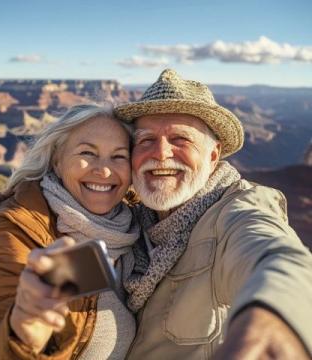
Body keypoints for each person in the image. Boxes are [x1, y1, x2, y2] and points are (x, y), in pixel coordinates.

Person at [114, 69, 312, 359]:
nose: (161, 152)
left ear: (213, 155)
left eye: (180, 139)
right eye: (145, 140)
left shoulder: (236, 210)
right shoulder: (127, 221)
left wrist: (275, 320)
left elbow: (275, 254)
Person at [0, 104, 141, 359]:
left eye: (119, 156)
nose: (104, 170)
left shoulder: (131, 220)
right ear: (56, 161)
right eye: (87, 153)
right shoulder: (15, 232)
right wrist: (24, 329)